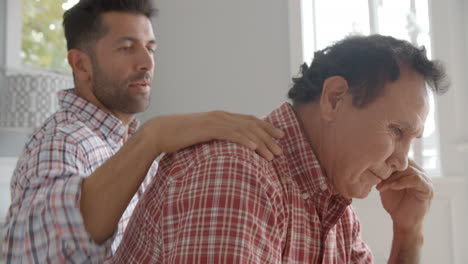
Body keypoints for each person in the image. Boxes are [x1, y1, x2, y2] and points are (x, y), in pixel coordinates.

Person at [111, 34, 448, 264]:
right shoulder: (235, 174)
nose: (401, 161)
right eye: (396, 130)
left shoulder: (336, 211)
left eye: (412, 140)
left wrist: (408, 232)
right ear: (334, 99)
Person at [1, 0, 285, 262]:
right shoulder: (62, 141)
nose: (146, 63)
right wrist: (152, 138)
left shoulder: (130, 146)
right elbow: (28, 250)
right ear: (81, 64)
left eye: (150, 48)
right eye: (127, 47)